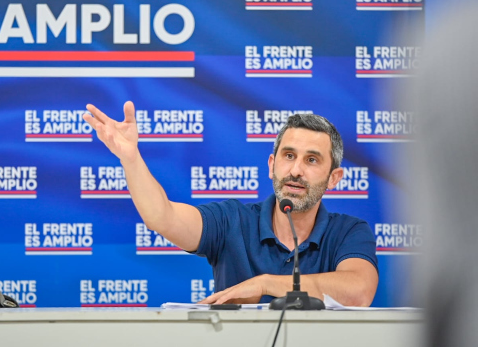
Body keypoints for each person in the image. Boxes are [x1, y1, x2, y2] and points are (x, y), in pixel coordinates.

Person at [83, 102, 378, 306]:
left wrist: (265, 285)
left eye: (311, 160)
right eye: (288, 156)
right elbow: (163, 216)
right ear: (272, 165)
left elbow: (358, 291)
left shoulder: (348, 231)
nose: (296, 170)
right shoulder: (232, 220)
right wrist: (130, 158)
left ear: (334, 177)